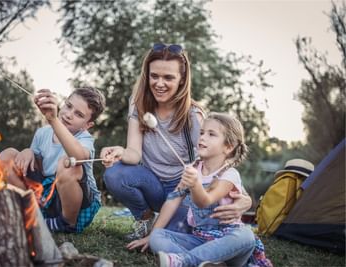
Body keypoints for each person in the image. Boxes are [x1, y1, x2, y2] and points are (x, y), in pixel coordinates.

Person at [100, 43, 252, 241]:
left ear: (182, 80)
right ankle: (145, 218)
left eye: (168, 77)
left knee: (171, 234)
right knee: (114, 174)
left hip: (184, 191)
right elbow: (134, 153)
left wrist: (246, 200)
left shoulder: (194, 116)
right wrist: (120, 152)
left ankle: (163, 225)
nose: (159, 83)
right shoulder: (137, 104)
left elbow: (218, 165)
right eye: (154, 76)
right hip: (151, 183)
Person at [128, 112, 270, 267]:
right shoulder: (193, 169)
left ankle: (185, 261)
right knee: (157, 236)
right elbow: (173, 200)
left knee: (246, 236)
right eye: (202, 132)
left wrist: (195, 183)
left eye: (211, 134)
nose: (202, 137)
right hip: (200, 240)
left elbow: (205, 201)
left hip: (229, 243)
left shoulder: (229, 175)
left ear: (228, 146)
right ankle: (207, 262)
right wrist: (150, 235)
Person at [0, 86, 106, 233]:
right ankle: (33, 212)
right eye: (68, 106)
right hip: (45, 196)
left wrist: (53, 120)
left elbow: (79, 157)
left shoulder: (85, 138)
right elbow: (37, 167)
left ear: (87, 125)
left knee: (69, 162)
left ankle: (66, 223)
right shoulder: (43, 133)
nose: (69, 115)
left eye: (79, 114)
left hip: (77, 204)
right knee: (8, 155)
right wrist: (28, 151)